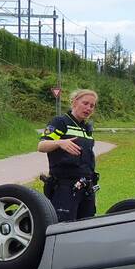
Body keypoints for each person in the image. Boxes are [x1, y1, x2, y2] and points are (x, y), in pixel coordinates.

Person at [38, 89, 99, 221]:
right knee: (64, 227)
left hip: (86, 187)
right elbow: (41, 146)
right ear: (75, 102)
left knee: (87, 226)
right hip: (64, 187)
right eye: (85, 103)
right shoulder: (61, 122)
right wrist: (60, 143)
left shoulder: (86, 128)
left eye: (92, 106)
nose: (88, 108)